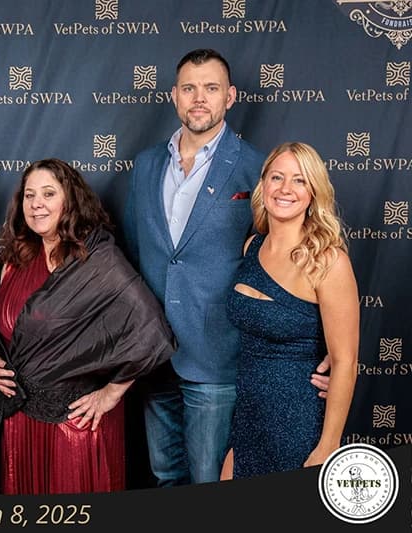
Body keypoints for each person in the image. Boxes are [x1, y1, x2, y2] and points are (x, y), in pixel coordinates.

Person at [123, 48, 330, 486]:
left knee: (208, 480)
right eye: (189, 88)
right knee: (164, 475)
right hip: (153, 354)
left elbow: (296, 258)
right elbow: (136, 254)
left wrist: (328, 347)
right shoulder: (145, 165)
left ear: (230, 96)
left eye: (211, 88)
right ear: (174, 96)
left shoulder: (260, 169)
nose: (200, 98)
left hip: (219, 356)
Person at [0, 158, 176, 494]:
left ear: (69, 200)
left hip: (74, 424)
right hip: (21, 418)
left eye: (48, 193)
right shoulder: (14, 259)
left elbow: (150, 330)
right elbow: (6, 330)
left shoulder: (95, 259)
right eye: (29, 196)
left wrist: (111, 394)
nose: (37, 204)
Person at [221, 142, 358, 479]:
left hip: (299, 424)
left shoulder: (328, 261)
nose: (285, 189)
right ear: (263, 184)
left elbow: (345, 361)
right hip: (249, 420)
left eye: (299, 180)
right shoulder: (252, 246)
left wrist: (328, 447)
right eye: (277, 177)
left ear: (314, 192)